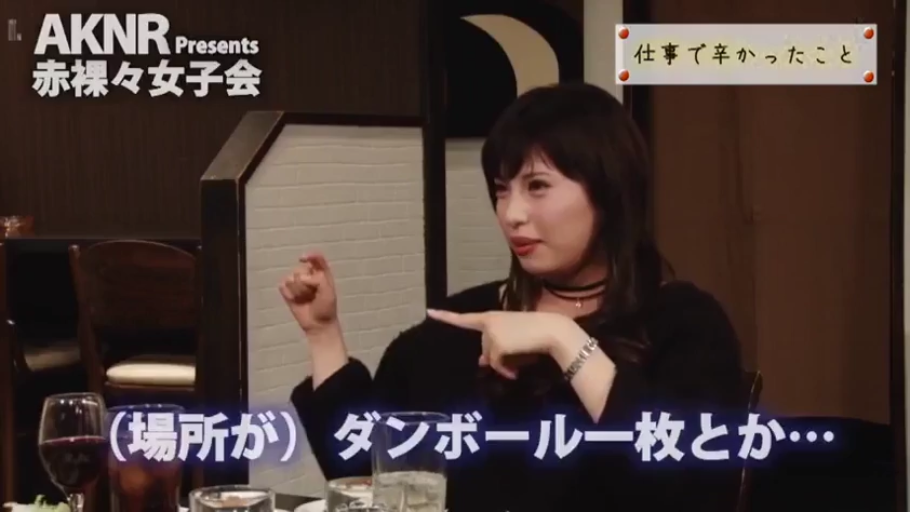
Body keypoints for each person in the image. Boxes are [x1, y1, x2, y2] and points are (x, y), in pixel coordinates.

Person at [282, 82, 745, 512]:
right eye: (502, 190)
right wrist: (323, 334)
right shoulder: (458, 327)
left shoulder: (683, 323)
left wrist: (564, 340)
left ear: (609, 192)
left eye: (537, 186)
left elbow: (691, 489)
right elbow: (371, 475)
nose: (511, 214)